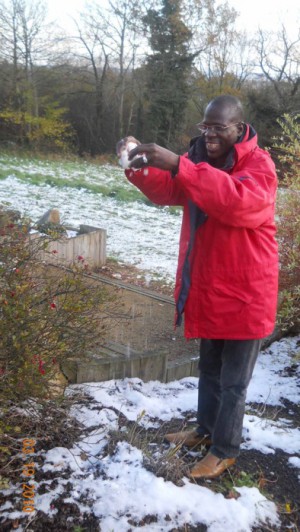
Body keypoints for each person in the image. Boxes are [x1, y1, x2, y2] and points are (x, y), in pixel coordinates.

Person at [118, 94, 278, 479]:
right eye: (204, 126)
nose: (209, 134)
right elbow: (171, 190)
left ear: (239, 128)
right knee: (209, 371)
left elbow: (237, 202)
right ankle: (206, 432)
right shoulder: (200, 161)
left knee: (233, 383)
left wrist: (180, 164)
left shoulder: (260, 166)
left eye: (218, 127)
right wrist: (137, 166)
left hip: (247, 292)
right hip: (213, 290)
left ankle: (225, 450)